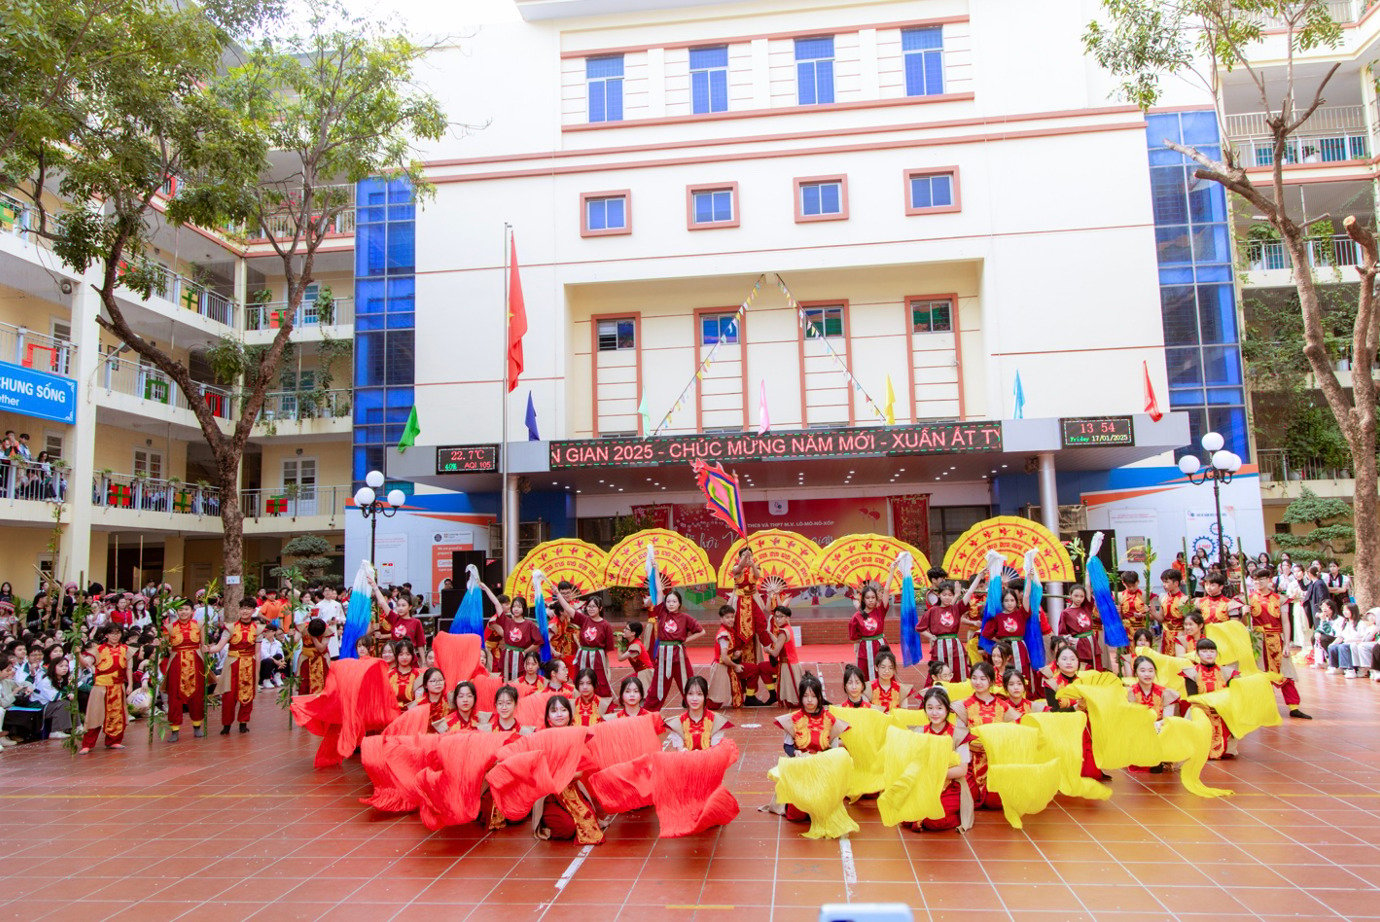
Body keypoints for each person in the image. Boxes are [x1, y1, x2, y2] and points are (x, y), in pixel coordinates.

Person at [769, 673, 848, 823]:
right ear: (801, 697)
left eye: (813, 696)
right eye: (806, 696)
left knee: (821, 813)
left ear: (819, 697)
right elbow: (787, 745)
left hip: (822, 769)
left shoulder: (830, 720)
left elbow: (834, 749)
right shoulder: (793, 719)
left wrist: (823, 760)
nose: (810, 700)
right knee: (796, 816)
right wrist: (795, 753)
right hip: (800, 768)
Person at [533, 696, 605, 844]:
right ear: (548, 717)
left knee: (590, 822)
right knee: (567, 829)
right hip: (550, 795)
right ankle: (545, 822)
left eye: (563, 710)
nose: (559, 714)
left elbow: (579, 773)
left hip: (572, 790)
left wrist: (558, 773)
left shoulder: (576, 736)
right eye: (554, 711)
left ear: (570, 714)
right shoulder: (541, 738)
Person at [907, 687, 974, 833]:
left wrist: (935, 773)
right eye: (930, 708)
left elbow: (962, 770)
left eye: (939, 708)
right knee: (906, 814)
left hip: (950, 785)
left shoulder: (958, 735)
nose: (934, 712)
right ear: (924, 709)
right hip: (924, 784)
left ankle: (958, 814)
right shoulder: (919, 732)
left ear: (947, 709)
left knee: (935, 821)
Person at [1249, 568, 1311, 718]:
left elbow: (1285, 622)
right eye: (1255, 580)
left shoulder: (1279, 599)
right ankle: (1265, 706)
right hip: (1257, 640)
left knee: (1286, 673)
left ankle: (1294, 706)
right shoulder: (1248, 598)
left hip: (1275, 639)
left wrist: (1287, 644)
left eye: (1261, 579)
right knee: (1260, 674)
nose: (1258, 582)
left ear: (1269, 580)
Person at [957, 662, 1009, 808]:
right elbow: (959, 736)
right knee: (969, 797)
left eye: (983, 678)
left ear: (991, 681)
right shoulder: (963, 705)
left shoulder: (1002, 705)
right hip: (970, 760)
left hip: (994, 760)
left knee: (994, 802)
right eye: (974, 678)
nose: (978, 682)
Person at [979, 565, 1041, 689]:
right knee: (1003, 672)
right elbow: (986, 633)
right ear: (1002, 602)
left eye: (1012, 600)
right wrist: (1000, 642)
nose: (1009, 603)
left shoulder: (1021, 613)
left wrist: (1028, 578)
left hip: (1020, 648)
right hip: (1003, 650)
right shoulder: (998, 616)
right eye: (1006, 601)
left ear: (1016, 601)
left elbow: (1027, 596)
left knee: (1022, 672)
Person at [645, 589, 705, 709]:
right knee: (657, 687)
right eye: (668, 601)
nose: (671, 604)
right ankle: (649, 713)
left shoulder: (685, 617)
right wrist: (656, 572)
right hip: (663, 658)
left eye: (674, 601)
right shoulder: (662, 613)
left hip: (680, 656)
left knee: (689, 682)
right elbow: (658, 593)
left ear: (679, 603)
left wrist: (685, 640)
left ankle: (697, 710)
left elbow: (701, 631)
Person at [79, 622, 132, 753]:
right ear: (107, 635)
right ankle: (88, 744)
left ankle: (114, 741)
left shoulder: (126, 649)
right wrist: (78, 654)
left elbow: (129, 668)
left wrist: (130, 684)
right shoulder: (98, 649)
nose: (115, 636)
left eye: (118, 633)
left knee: (117, 716)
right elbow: (87, 663)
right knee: (94, 714)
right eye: (112, 633)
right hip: (101, 686)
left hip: (118, 686)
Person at [209, 600, 260, 735]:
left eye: (248, 608)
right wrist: (208, 650)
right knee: (228, 695)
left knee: (248, 694)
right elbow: (219, 646)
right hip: (232, 664)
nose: (245, 611)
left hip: (250, 663)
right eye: (243, 608)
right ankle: (226, 724)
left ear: (254, 611)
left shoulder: (258, 629)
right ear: (239, 610)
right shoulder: (230, 627)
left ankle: (243, 722)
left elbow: (258, 651)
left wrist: (258, 671)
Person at [1181, 638, 1237, 759]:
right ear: (1197, 654)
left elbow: (1231, 694)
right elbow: (1193, 698)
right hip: (1200, 711)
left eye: (1212, 651)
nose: (1209, 654)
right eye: (1204, 651)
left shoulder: (1226, 672)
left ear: (1216, 653)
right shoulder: (1191, 673)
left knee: (1227, 752)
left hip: (1222, 712)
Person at [849, 559, 900, 683]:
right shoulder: (857, 616)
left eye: (873, 597)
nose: (871, 600)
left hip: (880, 646)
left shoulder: (880, 611)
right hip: (864, 648)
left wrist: (892, 570)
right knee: (864, 675)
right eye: (867, 598)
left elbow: (887, 590)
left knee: (884, 670)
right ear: (863, 600)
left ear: (876, 598)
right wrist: (861, 643)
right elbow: (853, 636)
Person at [163, 601, 207, 742]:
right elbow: (166, 647)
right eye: (180, 609)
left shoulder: (199, 625)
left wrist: (206, 651)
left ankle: (197, 726)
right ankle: (175, 729)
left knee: (198, 694)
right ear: (176, 612)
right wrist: (159, 643)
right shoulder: (169, 627)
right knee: (174, 695)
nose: (183, 612)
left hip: (196, 660)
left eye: (186, 609)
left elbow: (203, 644)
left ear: (192, 610)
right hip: (177, 662)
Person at [919, 580, 980, 679]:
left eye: (950, 595)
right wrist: (932, 637)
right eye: (944, 595)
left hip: (955, 646)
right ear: (939, 595)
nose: (947, 597)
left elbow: (969, 593)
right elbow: (920, 628)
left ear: (953, 596)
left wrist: (979, 577)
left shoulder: (956, 609)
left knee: (959, 670)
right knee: (938, 670)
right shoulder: (933, 611)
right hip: (939, 646)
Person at [707, 604, 761, 708]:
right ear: (721, 619)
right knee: (714, 704)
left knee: (754, 669)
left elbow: (727, 656)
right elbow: (724, 657)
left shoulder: (729, 631)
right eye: (727, 617)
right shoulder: (724, 635)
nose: (731, 620)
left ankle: (750, 697)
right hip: (722, 668)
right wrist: (736, 666)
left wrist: (735, 656)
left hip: (728, 665)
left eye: (732, 617)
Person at [665, 676, 732, 750]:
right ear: (685, 696)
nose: (694, 699)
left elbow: (715, 752)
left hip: (710, 760)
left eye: (699, 694)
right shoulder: (677, 723)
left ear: (706, 696)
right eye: (690, 694)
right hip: (686, 760)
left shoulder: (716, 721)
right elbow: (680, 753)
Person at [572, 597, 617, 698]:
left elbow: (609, 646)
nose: (591, 609)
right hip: (583, 655)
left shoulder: (606, 625)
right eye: (589, 606)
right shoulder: (584, 619)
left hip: (597, 657)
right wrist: (558, 594)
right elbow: (568, 609)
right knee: (581, 676)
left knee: (599, 678)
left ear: (600, 608)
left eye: (594, 606)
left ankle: (599, 701)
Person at [495, 596, 542, 683]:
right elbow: (497, 604)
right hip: (507, 656)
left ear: (523, 609)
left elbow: (538, 641)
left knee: (520, 680)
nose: (516, 609)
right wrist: (486, 589)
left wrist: (525, 652)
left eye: (519, 607)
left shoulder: (529, 624)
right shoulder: (507, 621)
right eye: (514, 606)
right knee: (505, 679)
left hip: (521, 657)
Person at [762, 604, 802, 707]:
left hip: (788, 665)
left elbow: (775, 652)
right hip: (793, 663)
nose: (778, 619)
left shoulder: (783, 632)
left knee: (791, 696)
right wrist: (772, 637)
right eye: (776, 616)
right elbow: (782, 644)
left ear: (787, 617)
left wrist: (767, 650)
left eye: (781, 617)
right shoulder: (788, 628)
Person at [1058, 584, 1103, 671]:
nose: (1079, 599)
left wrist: (1087, 573)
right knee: (1082, 668)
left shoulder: (1086, 607)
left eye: (1081, 596)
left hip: (1091, 642)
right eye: (1076, 596)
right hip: (1078, 645)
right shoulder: (1065, 613)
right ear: (1070, 595)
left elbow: (1088, 587)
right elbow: (1062, 632)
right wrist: (1069, 639)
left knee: (1096, 667)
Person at [616, 620, 654, 692]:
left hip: (646, 673)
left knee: (626, 683)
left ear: (633, 633)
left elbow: (620, 658)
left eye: (627, 629)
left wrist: (619, 643)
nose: (624, 630)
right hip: (642, 673)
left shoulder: (635, 646)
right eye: (625, 628)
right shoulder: (633, 642)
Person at [298, 618, 331, 695]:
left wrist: (313, 637)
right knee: (304, 681)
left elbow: (321, 649)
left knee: (324, 680)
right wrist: (291, 635)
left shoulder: (327, 630)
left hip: (321, 658)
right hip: (306, 657)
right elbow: (295, 639)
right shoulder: (303, 627)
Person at [411, 667, 451, 732]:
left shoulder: (450, 701)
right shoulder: (417, 704)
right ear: (425, 685)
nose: (438, 683)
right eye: (433, 681)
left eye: (440, 680)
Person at [387, 639, 421, 708]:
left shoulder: (418, 675)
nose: (404, 657)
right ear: (396, 656)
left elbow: (419, 699)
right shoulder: (389, 674)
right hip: (392, 712)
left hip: (411, 713)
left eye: (408, 654)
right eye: (401, 654)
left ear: (412, 655)